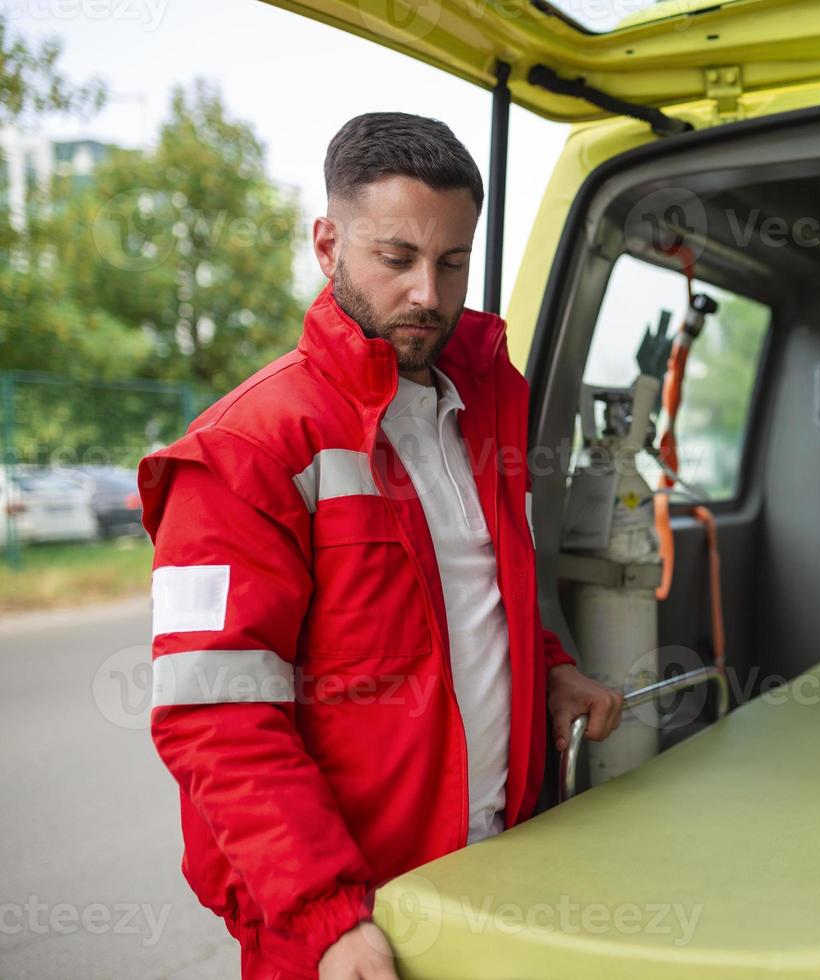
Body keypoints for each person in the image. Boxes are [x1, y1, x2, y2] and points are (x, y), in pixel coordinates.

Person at [139, 112, 625, 980]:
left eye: (452, 263)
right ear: (328, 243)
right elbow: (216, 711)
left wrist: (547, 667)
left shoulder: (484, 407)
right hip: (350, 919)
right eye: (395, 259)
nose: (429, 297)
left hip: (494, 875)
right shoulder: (246, 448)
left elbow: (476, 595)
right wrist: (329, 915)